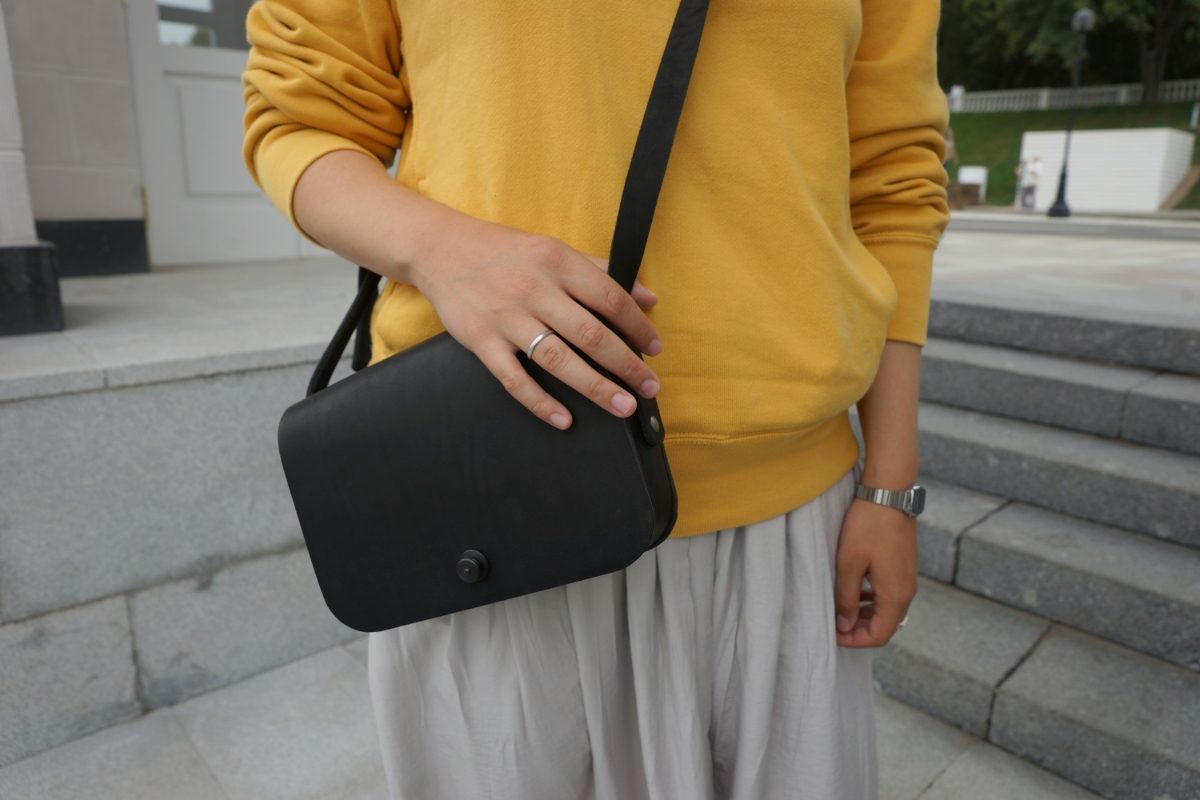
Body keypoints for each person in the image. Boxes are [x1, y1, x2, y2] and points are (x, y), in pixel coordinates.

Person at [242, 2, 948, 798]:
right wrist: (446, 252)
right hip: (496, 504)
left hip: (784, 526)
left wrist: (892, 485)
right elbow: (298, 118)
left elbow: (892, 181)